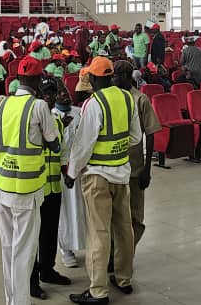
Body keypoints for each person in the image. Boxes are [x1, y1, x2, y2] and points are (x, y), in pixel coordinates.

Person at [66, 57, 142, 304]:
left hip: (98, 176)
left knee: (99, 232)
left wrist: (72, 172)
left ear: (94, 78)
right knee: (124, 229)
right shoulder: (127, 98)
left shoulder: (94, 103)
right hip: (122, 173)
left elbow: (83, 144)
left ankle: (98, 290)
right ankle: (124, 278)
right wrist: (116, 149)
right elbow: (135, 137)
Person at [0, 57, 60, 305]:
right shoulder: (39, 106)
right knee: (24, 253)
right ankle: (20, 302)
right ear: (37, 80)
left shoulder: (2, 105)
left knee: (8, 250)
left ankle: (11, 300)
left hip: (4, 188)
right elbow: (54, 144)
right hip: (27, 192)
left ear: (19, 78)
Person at [29, 78, 74, 299]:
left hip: (54, 185)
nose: (50, 97)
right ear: (39, 96)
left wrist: (67, 171)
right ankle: (32, 280)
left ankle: (47, 270)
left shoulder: (56, 120)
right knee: (33, 236)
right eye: (46, 94)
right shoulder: (31, 120)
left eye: (52, 93)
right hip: (35, 187)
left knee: (50, 231)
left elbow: (62, 150)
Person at [113, 61, 160, 258]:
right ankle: (116, 254)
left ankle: (125, 253)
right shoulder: (111, 98)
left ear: (125, 76)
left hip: (135, 167)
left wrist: (147, 168)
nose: (113, 79)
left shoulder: (141, 99)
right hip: (114, 167)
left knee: (135, 216)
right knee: (115, 215)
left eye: (116, 75)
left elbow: (150, 133)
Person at [56, 84, 86, 268]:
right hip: (61, 170)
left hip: (81, 166)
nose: (64, 96)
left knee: (83, 209)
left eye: (66, 93)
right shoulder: (51, 115)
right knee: (65, 211)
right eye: (60, 94)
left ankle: (87, 245)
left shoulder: (79, 112)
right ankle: (66, 249)